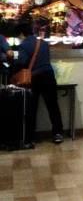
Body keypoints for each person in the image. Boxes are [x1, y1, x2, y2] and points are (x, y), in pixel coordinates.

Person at [10, 16, 64, 146]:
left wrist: (13, 61)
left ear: (22, 34)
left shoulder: (24, 45)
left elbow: (22, 62)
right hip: (49, 76)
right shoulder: (43, 43)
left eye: (18, 36)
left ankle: (31, 136)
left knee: (32, 107)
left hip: (34, 79)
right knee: (53, 106)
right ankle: (58, 134)